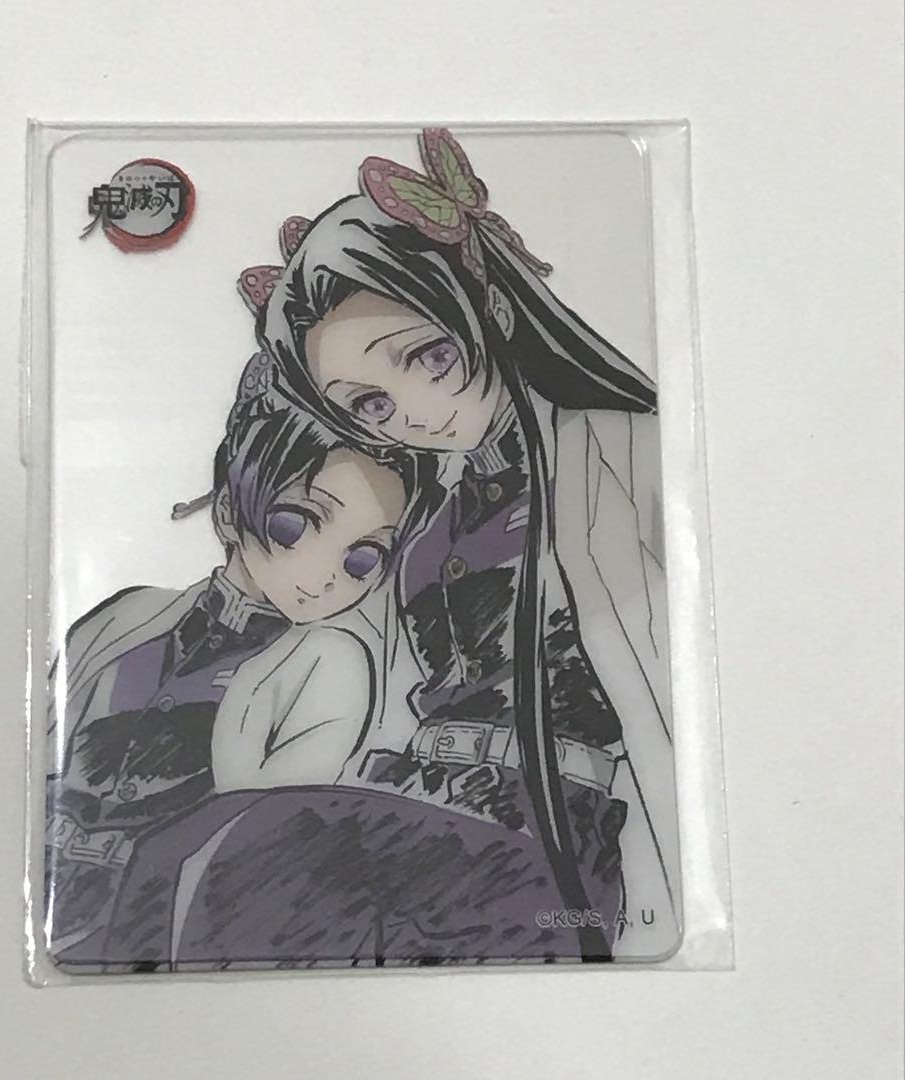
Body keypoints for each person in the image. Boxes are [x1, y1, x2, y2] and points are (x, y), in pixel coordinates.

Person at [256, 129, 679, 960]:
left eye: (429, 356)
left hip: (564, 830)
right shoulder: (423, 514)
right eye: (370, 405)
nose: (413, 412)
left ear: (491, 307)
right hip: (424, 806)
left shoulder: (623, 452)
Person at [44, 357, 433, 963]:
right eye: (296, 524)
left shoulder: (325, 666)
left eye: (362, 558)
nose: (325, 573)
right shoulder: (124, 617)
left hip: (157, 938)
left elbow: (253, 844)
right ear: (230, 510)